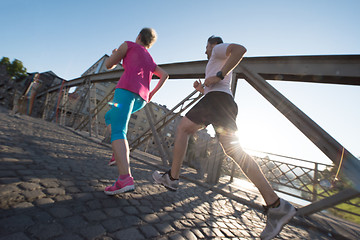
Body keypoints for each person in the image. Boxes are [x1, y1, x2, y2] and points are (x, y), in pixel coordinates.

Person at [152, 36, 296, 240]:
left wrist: (219, 74)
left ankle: (173, 178)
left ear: (213, 44)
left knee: (183, 128)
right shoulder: (216, 60)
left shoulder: (219, 49)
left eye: (206, 47)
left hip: (217, 101)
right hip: (222, 102)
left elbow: (241, 50)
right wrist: (201, 89)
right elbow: (215, 86)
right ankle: (276, 205)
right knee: (234, 151)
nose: (205, 52)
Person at [104, 28, 169, 195]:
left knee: (119, 130)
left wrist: (115, 53)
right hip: (141, 100)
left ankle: (124, 178)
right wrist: (152, 93)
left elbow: (108, 65)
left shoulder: (128, 45)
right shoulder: (149, 58)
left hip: (125, 92)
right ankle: (116, 153)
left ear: (139, 36)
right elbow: (164, 75)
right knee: (110, 116)